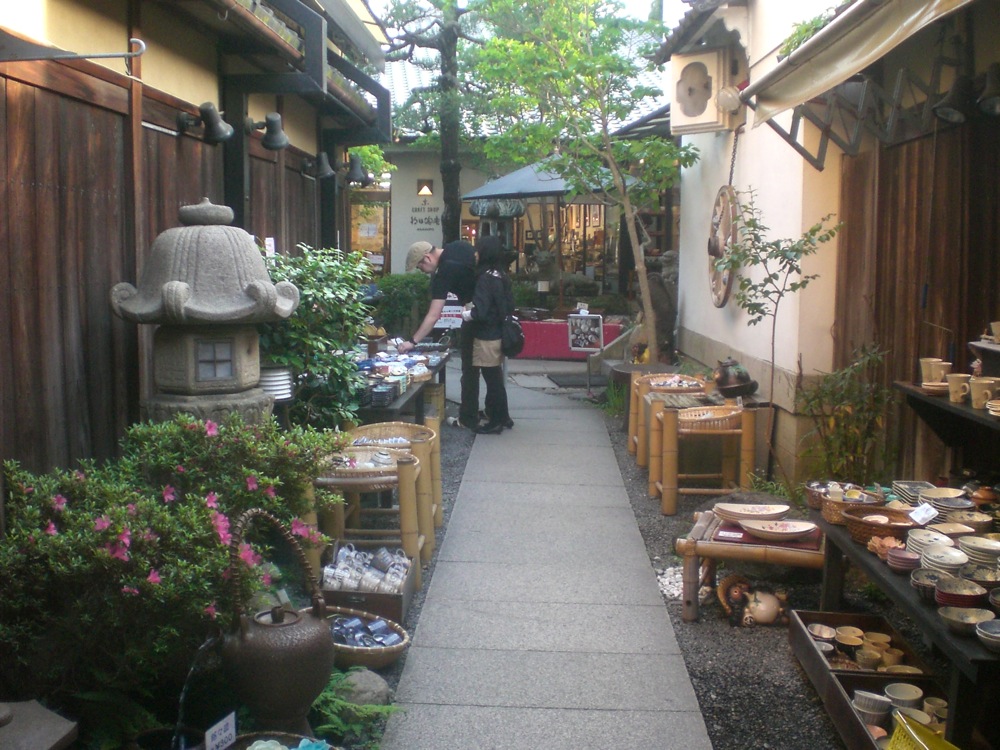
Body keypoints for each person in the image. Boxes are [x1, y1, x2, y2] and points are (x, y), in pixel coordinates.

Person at [397, 240, 480, 428]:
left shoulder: (443, 273)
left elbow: (434, 314)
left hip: (475, 314)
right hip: (491, 308)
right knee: (492, 368)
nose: (423, 271)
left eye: (420, 267)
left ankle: (468, 418)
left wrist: (412, 341)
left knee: (469, 369)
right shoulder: (460, 246)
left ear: (427, 258)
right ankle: (498, 414)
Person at [462, 236, 514, 434]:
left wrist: (466, 314)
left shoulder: (484, 278)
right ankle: (503, 416)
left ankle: (496, 421)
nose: (475, 253)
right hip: (498, 332)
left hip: (485, 335)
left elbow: (480, 312)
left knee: (492, 380)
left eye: (478, 249)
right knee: (496, 378)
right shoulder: (501, 275)